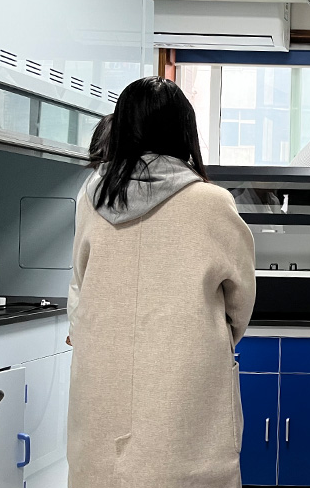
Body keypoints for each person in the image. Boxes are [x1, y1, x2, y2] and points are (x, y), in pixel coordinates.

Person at [67, 76, 256, 488]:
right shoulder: (211, 203)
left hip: (102, 373)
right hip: (184, 377)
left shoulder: (92, 198)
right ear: (184, 130)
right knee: (184, 467)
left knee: (102, 469)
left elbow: (81, 279)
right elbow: (240, 300)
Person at [66, 113, 114, 347]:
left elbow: (80, 272)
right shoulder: (100, 188)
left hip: (95, 319)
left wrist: (75, 326)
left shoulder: (91, 186)